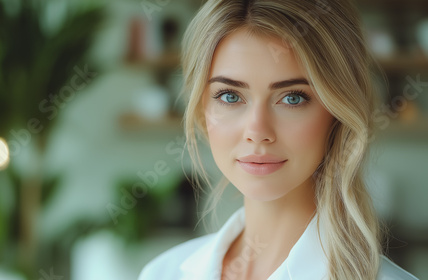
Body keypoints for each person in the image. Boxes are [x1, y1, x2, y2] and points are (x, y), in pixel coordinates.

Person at [139, 0, 419, 279]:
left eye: (292, 98)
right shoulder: (162, 273)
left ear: (338, 112)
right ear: (202, 109)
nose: (257, 131)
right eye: (230, 96)